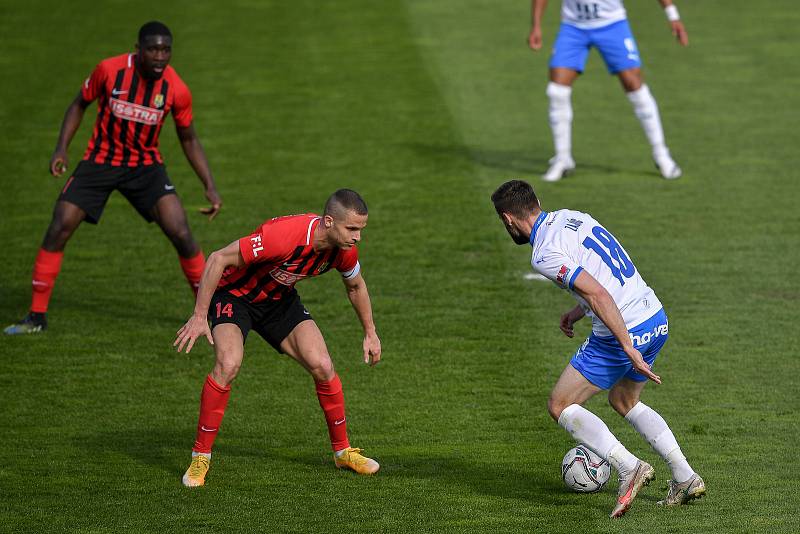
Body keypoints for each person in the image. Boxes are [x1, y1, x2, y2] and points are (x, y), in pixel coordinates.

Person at [491, 180, 704, 518]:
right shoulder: (572, 217)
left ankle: (629, 467)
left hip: (625, 331)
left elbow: (599, 295)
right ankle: (684, 476)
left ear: (508, 219)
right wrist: (577, 312)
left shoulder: (543, 252)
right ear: (538, 202)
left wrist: (626, 346)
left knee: (561, 404)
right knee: (624, 400)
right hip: (653, 316)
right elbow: (604, 276)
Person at [4, 21, 222, 335]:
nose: (160, 56)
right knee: (61, 223)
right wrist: (61, 149)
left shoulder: (176, 89)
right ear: (138, 50)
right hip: (100, 161)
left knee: (181, 231)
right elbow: (79, 104)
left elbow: (189, 139)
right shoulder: (110, 71)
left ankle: (210, 316)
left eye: (165, 50)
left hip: (145, 166)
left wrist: (210, 186)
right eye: (153, 49)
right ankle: (36, 316)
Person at [174, 189, 382, 487]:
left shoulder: (344, 249)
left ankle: (343, 452)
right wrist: (199, 315)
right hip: (236, 297)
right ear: (328, 221)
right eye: (351, 229)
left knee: (323, 365)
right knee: (228, 364)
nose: (357, 237)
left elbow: (356, 287)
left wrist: (370, 332)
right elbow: (218, 259)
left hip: (278, 301)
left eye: (360, 230)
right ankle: (200, 457)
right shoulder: (282, 236)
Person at [528, 0, 689, 181]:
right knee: (557, 91)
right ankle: (563, 158)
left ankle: (661, 154)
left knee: (634, 85)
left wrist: (672, 15)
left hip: (612, 25)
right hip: (573, 27)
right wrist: (536, 25)